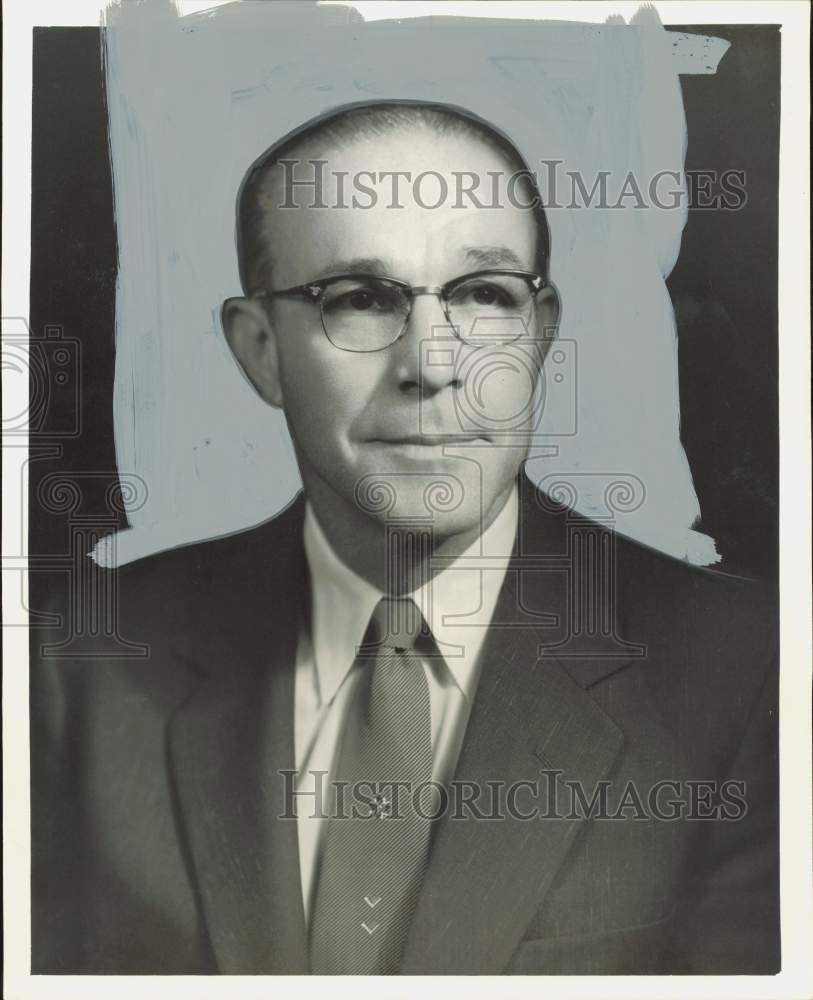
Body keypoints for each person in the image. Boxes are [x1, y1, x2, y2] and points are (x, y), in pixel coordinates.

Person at [31, 101, 779, 976]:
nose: (431, 364)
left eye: (485, 296)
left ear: (538, 335)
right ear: (260, 350)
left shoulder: (747, 669)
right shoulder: (75, 666)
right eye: (360, 299)